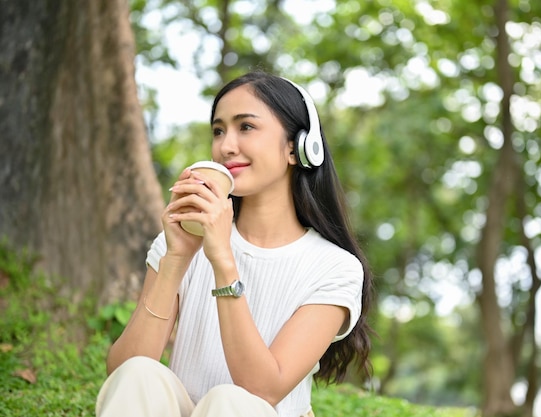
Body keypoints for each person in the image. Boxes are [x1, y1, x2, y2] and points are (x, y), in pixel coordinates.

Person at [95, 70, 374, 417]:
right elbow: (123, 372)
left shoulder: (335, 268)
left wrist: (223, 260)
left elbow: (263, 390)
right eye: (218, 130)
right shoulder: (182, 243)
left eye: (246, 127)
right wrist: (176, 259)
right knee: (139, 372)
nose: (226, 146)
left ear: (296, 146)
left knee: (231, 403)